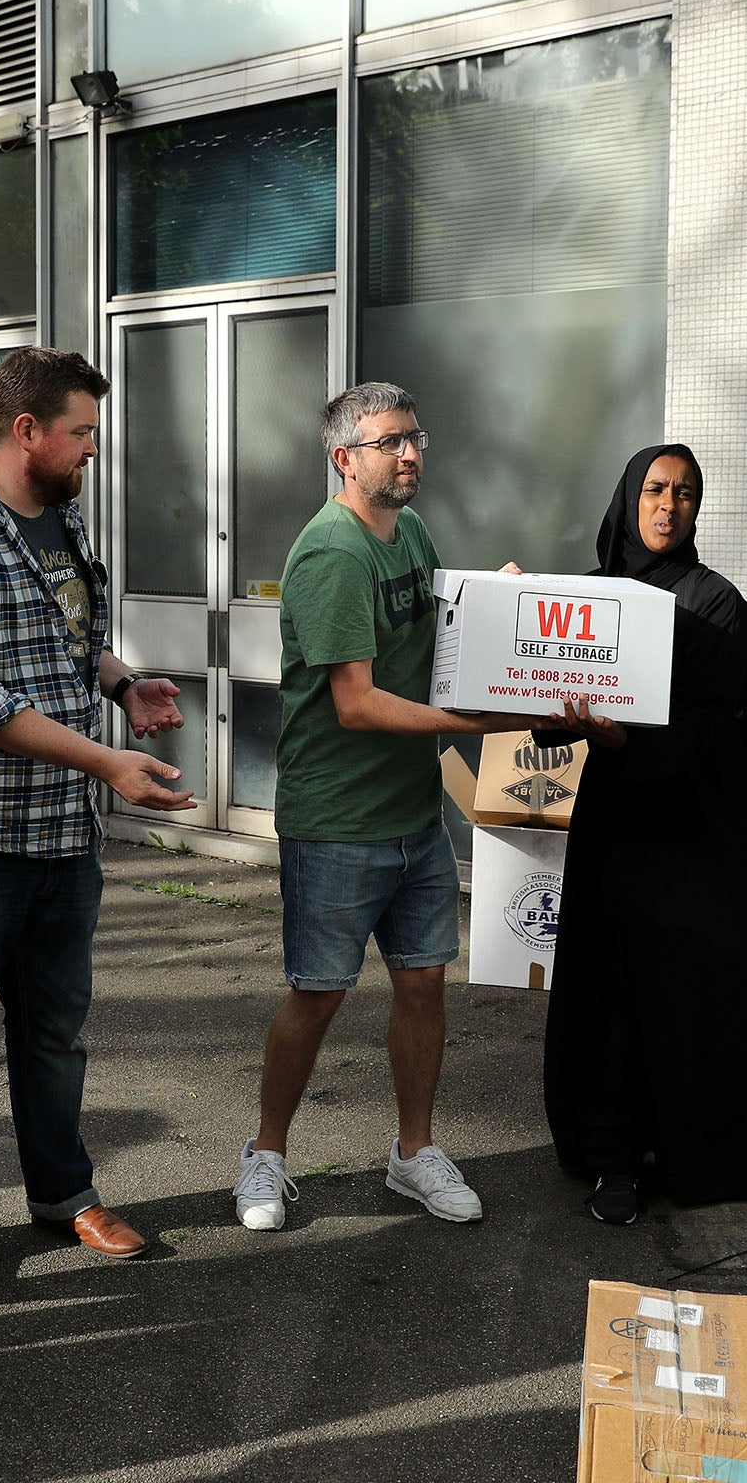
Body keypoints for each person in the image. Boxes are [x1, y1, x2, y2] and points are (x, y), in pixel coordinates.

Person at [0, 346, 191, 1292]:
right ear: (28, 432)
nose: (93, 448)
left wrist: (125, 684)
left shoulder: (63, 521)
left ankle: (62, 1196)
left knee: (55, 1031)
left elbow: (77, 636)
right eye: (82, 431)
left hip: (61, 828)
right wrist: (109, 761)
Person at [232, 381, 538, 1234]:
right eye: (390, 442)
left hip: (412, 813)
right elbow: (358, 704)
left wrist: (498, 606)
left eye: (416, 437)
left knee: (422, 986)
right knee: (319, 995)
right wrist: (485, 724)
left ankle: (413, 1154)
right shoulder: (333, 554)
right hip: (337, 819)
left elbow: (439, 634)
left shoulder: (408, 533)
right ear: (345, 458)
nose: (410, 454)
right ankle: (265, 1156)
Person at [541, 443, 747, 1226]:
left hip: (701, 834)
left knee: (685, 995)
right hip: (617, 827)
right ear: (627, 500)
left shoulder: (716, 605)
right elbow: (553, 704)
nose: (668, 506)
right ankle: (612, 1156)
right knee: (610, 991)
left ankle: (688, 1150)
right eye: (653, 489)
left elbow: (722, 728)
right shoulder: (594, 601)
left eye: (684, 492)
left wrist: (623, 742)